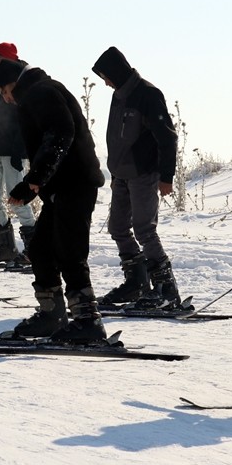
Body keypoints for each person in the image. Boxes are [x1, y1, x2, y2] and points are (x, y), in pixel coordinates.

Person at [0, 58, 107, 343]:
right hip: (62, 185)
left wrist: (34, 178)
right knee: (42, 249)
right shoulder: (38, 91)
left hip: (75, 183)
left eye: (4, 92)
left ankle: (88, 321)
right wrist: (33, 186)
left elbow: (60, 134)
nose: (6, 99)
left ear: (12, 83)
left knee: (69, 251)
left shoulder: (41, 92)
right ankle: (51, 314)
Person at [91, 46, 181, 308]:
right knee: (117, 228)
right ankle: (136, 283)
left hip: (145, 174)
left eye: (106, 76)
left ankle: (166, 290)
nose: (105, 82)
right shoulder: (119, 95)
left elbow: (167, 138)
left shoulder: (148, 94)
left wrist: (167, 176)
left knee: (144, 229)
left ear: (117, 72)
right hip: (121, 175)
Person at [0, 42, 36, 267]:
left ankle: (34, 249)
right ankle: (6, 248)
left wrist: (20, 150)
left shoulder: (23, 81)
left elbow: (26, 120)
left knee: (18, 200)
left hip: (13, 151)